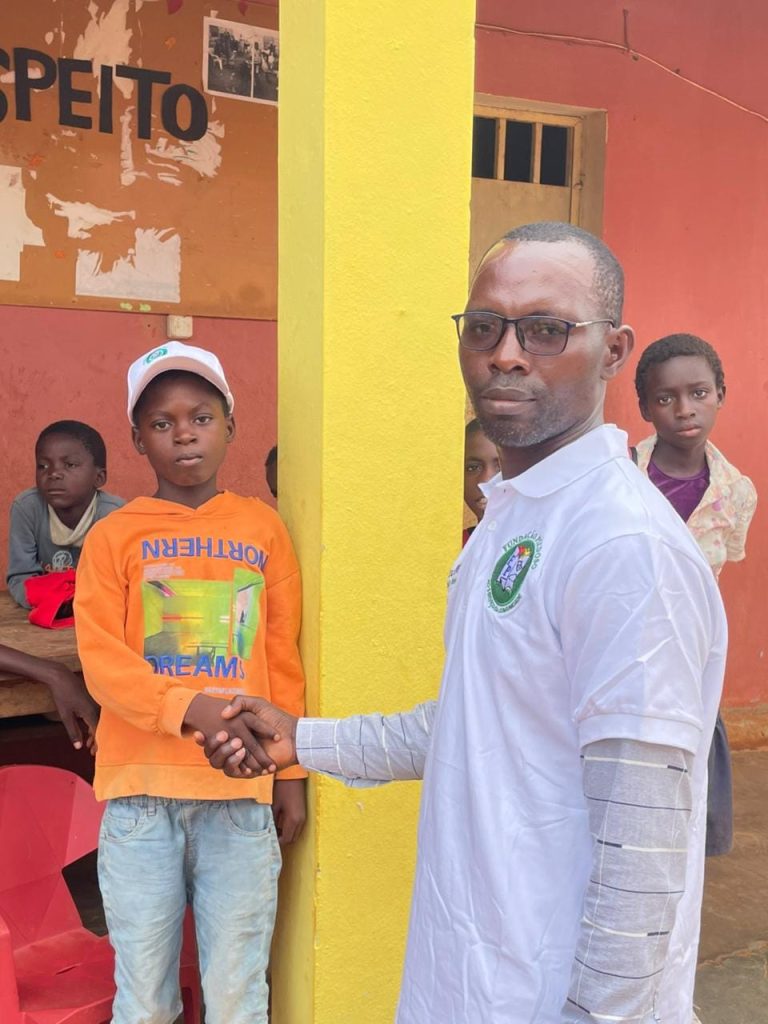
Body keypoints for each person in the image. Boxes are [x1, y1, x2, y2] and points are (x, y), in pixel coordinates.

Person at [197, 223, 726, 1024]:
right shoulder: (511, 517)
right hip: (470, 979)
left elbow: (642, 846)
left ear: (613, 352)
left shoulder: (621, 544)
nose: (506, 354)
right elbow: (482, 725)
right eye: (484, 327)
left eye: (546, 329)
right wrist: (302, 740)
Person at [73, 341, 307, 1024]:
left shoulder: (262, 529)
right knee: (145, 997)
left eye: (201, 418)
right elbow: (102, 661)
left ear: (230, 425)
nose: (184, 435)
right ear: (137, 439)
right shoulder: (114, 536)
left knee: (237, 993)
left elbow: (281, 655)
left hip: (240, 797)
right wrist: (190, 707)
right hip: (140, 797)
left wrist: (291, 773)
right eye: (162, 422)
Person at [634, 334, 757, 858]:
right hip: (625, 642)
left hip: (690, 650)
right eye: (666, 398)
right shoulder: (621, 475)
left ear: (720, 394)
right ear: (645, 407)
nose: (684, 409)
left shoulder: (737, 493)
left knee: (694, 744)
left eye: (699, 393)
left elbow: (723, 564)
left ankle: (690, 847)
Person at [7, 420, 124, 608]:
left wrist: (78, 602)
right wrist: (53, 602)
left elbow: (117, 584)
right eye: (43, 466)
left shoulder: (114, 515)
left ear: (99, 477)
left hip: (94, 611)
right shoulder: (27, 508)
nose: (53, 474)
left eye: (70, 465)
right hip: (45, 610)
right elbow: (20, 577)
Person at [462, 418, 499, 545]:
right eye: (472, 468)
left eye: (501, 467)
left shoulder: (547, 545)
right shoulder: (452, 548)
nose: (486, 480)